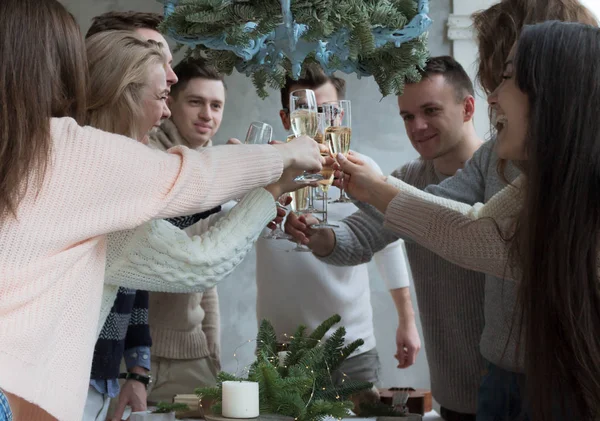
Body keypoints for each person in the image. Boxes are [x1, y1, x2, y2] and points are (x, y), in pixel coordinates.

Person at [0, 1, 324, 419]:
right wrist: (286, 159)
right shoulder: (67, 150)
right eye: (164, 93)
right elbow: (192, 202)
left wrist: (264, 189)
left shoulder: (26, 149)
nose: (169, 107)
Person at [289, 1, 598, 419]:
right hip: (496, 381)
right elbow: (470, 228)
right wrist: (346, 213)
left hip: (562, 380)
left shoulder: (565, 178)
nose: (494, 95)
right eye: (407, 116)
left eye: (506, 76)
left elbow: (480, 238)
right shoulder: (521, 172)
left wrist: (377, 187)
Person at [287, 55, 486, 420]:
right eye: (407, 116)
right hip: (451, 394)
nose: (418, 126)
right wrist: (313, 234)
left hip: (512, 386)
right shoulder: (408, 177)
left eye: (430, 110)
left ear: (468, 107)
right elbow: (359, 239)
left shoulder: (496, 175)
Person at [258, 64, 418, 388]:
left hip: (351, 349)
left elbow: (388, 245)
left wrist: (407, 320)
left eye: (326, 111)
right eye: (305, 110)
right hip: (280, 352)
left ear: (339, 117)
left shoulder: (362, 172)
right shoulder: (262, 172)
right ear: (287, 118)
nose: (316, 121)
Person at [146, 60, 228, 403]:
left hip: (191, 353)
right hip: (133, 351)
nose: (207, 114)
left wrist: (212, 348)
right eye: (196, 102)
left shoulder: (214, 168)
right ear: (170, 103)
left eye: (216, 105)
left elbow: (206, 275)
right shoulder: (148, 155)